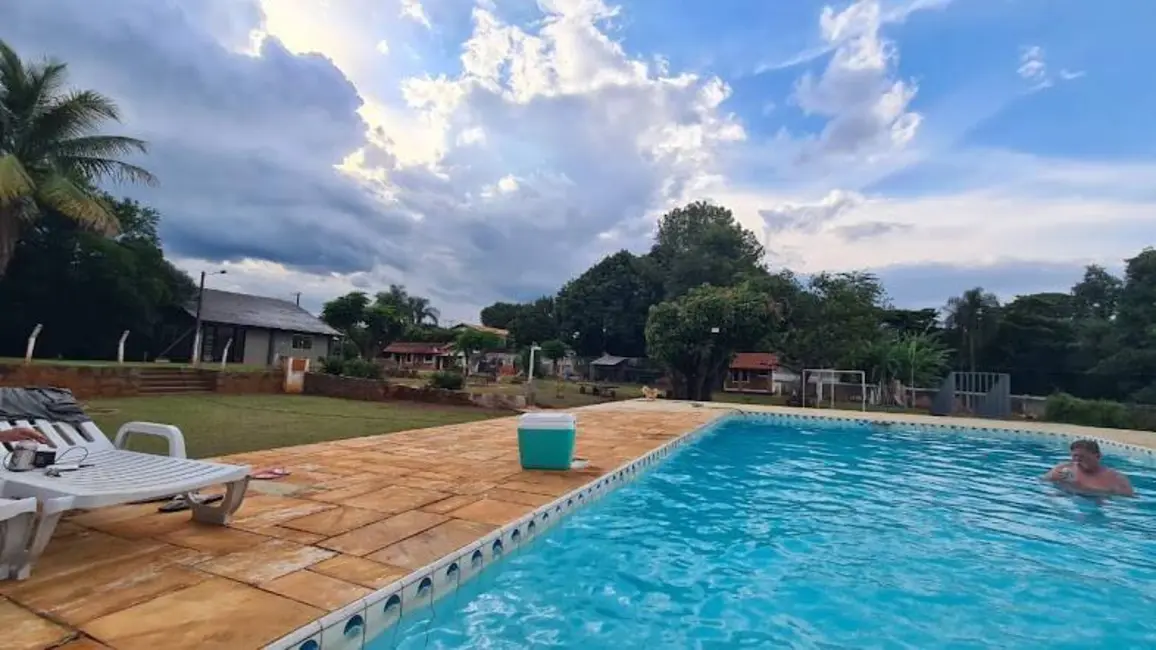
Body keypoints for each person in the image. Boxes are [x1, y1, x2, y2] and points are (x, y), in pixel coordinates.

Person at [1043, 439, 1134, 497]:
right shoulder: (1063, 467)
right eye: (1074, 456)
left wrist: (1080, 486)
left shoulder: (1115, 478)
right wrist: (1053, 478)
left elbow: (1128, 499)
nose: (1077, 461)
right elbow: (1042, 482)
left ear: (1097, 456)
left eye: (1082, 457)